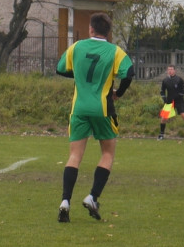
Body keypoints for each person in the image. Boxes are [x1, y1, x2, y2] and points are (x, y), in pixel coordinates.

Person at [55, 12, 135, 223]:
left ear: (91, 29)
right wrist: (119, 92)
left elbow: (60, 69)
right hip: (103, 108)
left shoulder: (77, 47)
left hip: (79, 108)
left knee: (75, 156)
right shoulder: (115, 51)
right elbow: (129, 73)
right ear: (108, 33)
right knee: (107, 154)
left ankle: (65, 201)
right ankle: (92, 197)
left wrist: (79, 76)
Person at [159, 65, 184, 140]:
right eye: (168, 69)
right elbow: (162, 91)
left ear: (174, 70)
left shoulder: (179, 79)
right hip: (169, 101)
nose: (170, 71)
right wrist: (164, 98)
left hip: (179, 101)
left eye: (171, 69)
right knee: (163, 118)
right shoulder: (165, 80)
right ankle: (161, 135)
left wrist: (179, 95)